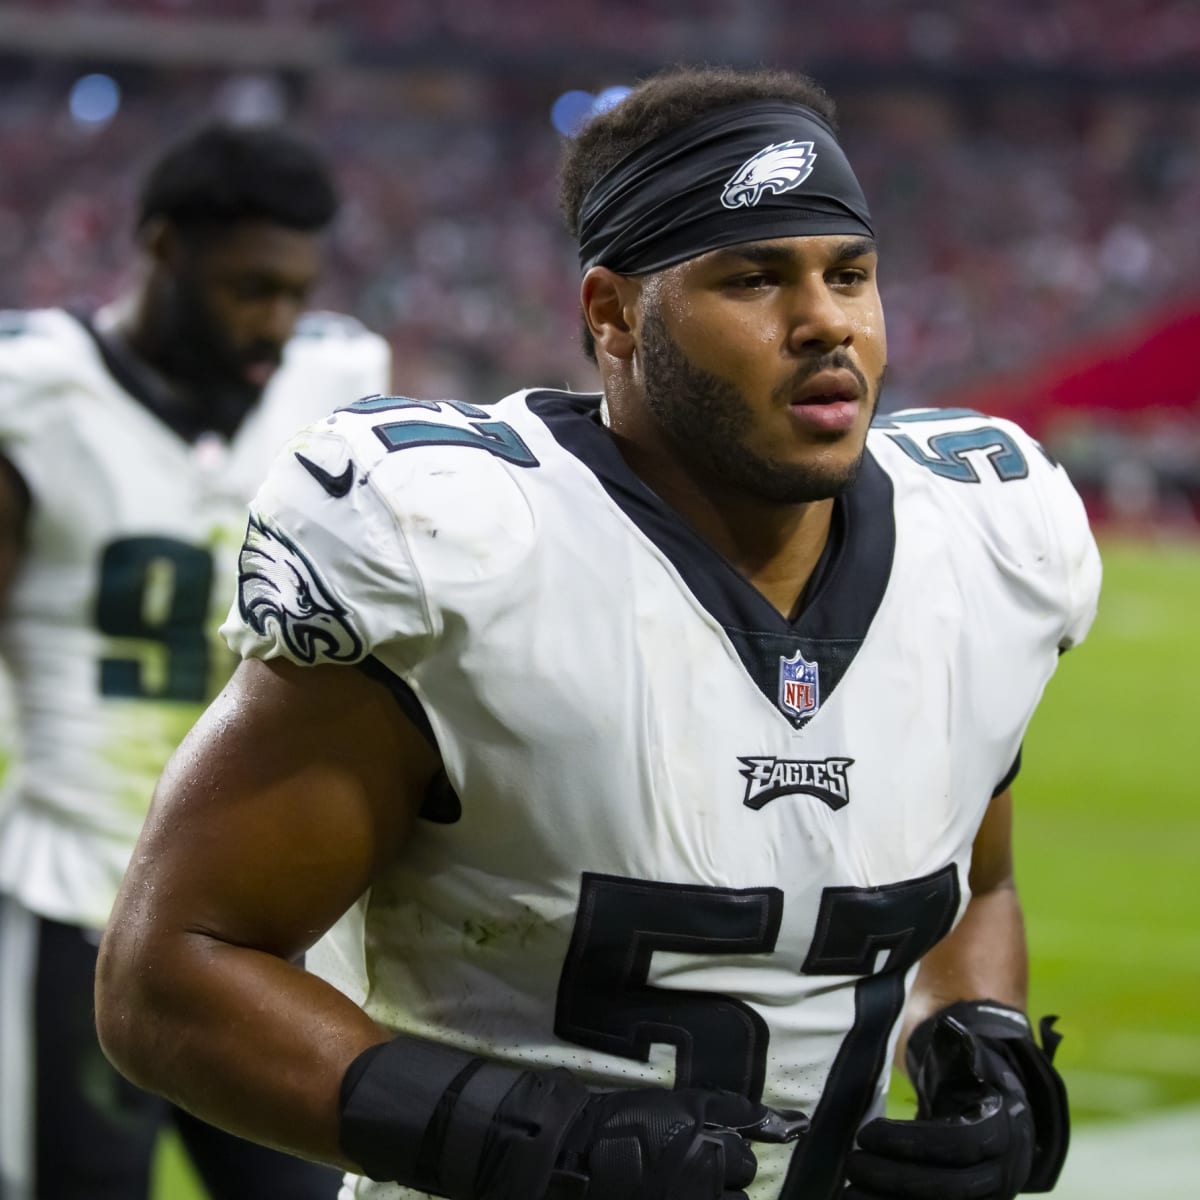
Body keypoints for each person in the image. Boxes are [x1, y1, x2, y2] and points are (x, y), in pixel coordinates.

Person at [94, 66, 1100, 1200]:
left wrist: (983, 1042)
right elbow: (169, 974)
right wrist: (522, 1135)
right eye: (755, 278)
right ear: (614, 315)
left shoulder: (986, 543)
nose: (825, 320)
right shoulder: (466, 547)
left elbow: (977, 886)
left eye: (850, 273)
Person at [0, 122, 390, 1198]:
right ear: (162, 248)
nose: (275, 324)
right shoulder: (33, 394)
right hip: (77, 890)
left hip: (266, 913)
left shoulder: (341, 380)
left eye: (294, 293)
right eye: (248, 288)